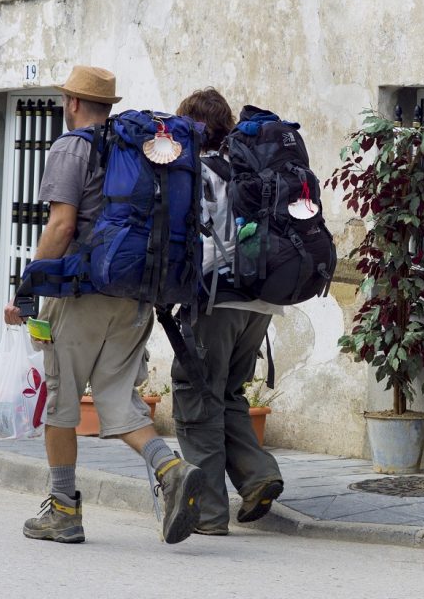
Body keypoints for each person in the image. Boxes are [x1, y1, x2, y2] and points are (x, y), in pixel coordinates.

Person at [4, 64, 204, 546]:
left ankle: (63, 510)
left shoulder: (72, 147)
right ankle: (171, 468)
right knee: (117, 399)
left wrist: (27, 291)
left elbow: (61, 227)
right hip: (135, 295)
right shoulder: (131, 147)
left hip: (81, 294)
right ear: (107, 106)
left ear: (72, 103)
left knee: (62, 400)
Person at [170, 87, 286, 535]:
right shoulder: (250, 166)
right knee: (229, 393)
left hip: (219, 298)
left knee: (196, 395)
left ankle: (209, 514)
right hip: (262, 301)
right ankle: (258, 476)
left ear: (191, 127)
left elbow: (191, 243)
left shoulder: (196, 172)